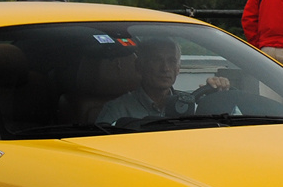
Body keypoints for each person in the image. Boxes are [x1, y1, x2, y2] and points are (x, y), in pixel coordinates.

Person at [95, 38, 229, 125]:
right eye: (156, 60)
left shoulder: (191, 103)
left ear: (178, 69)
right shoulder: (118, 109)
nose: (165, 68)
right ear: (139, 66)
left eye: (171, 61)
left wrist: (217, 97)